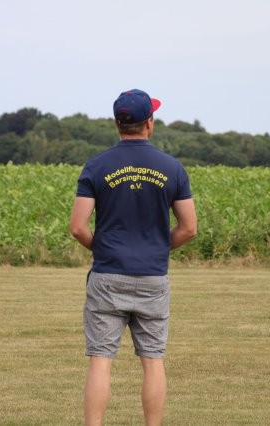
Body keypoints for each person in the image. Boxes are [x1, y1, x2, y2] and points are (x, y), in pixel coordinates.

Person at [70, 89, 197, 426]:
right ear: (149, 123)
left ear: (118, 124)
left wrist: (103, 250)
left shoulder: (96, 166)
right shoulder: (172, 168)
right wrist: (157, 249)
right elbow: (189, 228)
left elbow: (78, 227)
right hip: (153, 277)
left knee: (100, 360)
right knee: (153, 360)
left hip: (108, 275)